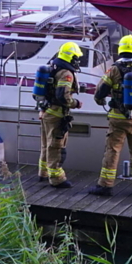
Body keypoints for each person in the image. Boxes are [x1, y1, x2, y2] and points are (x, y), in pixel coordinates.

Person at [88, 35, 132, 198]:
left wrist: (101, 101)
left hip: (117, 118)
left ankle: (105, 186)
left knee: (112, 151)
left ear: (120, 49)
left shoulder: (113, 70)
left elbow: (100, 93)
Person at [37, 42, 84, 189]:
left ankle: (43, 173)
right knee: (56, 147)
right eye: (77, 58)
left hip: (46, 111)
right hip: (57, 115)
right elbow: (62, 96)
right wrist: (75, 103)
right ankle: (56, 179)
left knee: (46, 144)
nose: (78, 61)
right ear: (71, 57)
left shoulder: (53, 67)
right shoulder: (66, 74)